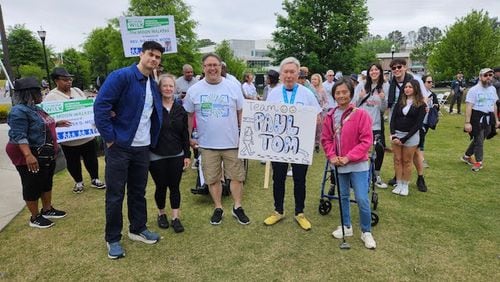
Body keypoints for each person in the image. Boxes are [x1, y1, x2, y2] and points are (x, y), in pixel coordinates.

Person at [94, 41, 165, 259]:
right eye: (151, 55)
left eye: (158, 57)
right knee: (115, 194)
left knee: (138, 191)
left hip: (142, 147)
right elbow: (101, 106)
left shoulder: (153, 83)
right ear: (141, 54)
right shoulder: (121, 76)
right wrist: (110, 139)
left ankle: (138, 228)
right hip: (120, 147)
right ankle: (113, 238)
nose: (154, 59)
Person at [183, 53, 250, 226]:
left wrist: (244, 133)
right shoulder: (194, 90)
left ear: (221, 67)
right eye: (209, 65)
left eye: (216, 65)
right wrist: (189, 136)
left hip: (232, 143)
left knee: (236, 177)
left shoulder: (233, 87)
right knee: (212, 178)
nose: (212, 68)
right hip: (207, 144)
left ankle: (237, 207)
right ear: (203, 67)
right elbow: (189, 116)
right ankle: (218, 207)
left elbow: (241, 112)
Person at [263, 57, 321, 231]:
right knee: (278, 178)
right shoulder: (273, 93)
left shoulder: (307, 93)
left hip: (299, 145)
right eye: (286, 72)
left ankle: (299, 212)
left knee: (299, 179)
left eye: (292, 72)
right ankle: (278, 210)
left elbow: (318, 118)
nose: (289, 75)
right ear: (281, 75)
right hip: (279, 145)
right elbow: (266, 117)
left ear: (298, 74)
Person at [6, 77, 70, 228]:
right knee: (32, 184)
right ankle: (34, 217)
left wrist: (57, 123)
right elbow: (19, 135)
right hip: (28, 153)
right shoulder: (18, 111)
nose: (41, 93)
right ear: (29, 93)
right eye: (38, 91)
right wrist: (28, 155)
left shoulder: (36, 108)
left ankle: (47, 209)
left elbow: (43, 123)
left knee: (46, 181)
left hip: (44, 152)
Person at [321, 77, 376, 249]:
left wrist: (348, 157)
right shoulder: (330, 116)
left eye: (344, 92)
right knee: (343, 196)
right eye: (338, 93)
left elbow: (366, 141)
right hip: (338, 164)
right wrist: (331, 156)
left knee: (361, 198)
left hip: (357, 163)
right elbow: (326, 139)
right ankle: (347, 226)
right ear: (334, 95)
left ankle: (366, 231)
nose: (341, 95)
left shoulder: (361, 114)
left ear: (351, 94)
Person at [44, 67, 106, 193]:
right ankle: (78, 182)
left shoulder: (77, 91)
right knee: (73, 162)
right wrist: (56, 123)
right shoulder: (51, 97)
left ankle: (95, 179)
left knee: (91, 159)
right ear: (56, 81)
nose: (69, 82)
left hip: (86, 135)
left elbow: (87, 107)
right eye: (65, 79)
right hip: (68, 139)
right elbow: (47, 118)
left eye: (70, 79)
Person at [149, 74, 191, 233]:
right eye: (164, 86)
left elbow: (184, 134)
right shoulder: (153, 108)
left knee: (175, 187)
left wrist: (187, 154)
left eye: (170, 86)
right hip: (156, 154)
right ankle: (161, 214)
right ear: (159, 88)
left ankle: (175, 217)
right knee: (161, 186)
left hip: (176, 154)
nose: (168, 88)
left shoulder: (180, 109)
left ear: (175, 88)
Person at [354, 63, 389, 189]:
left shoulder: (385, 86)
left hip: (375, 124)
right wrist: (360, 97)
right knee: (359, 149)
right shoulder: (362, 85)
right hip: (361, 123)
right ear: (369, 72)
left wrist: (383, 99)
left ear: (380, 72)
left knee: (379, 149)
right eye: (372, 70)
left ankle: (376, 175)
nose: (374, 72)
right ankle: (358, 175)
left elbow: (384, 108)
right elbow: (354, 104)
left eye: (376, 70)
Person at [390, 79, 426, 196]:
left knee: (407, 161)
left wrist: (405, 139)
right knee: (397, 159)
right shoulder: (399, 102)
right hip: (397, 134)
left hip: (410, 136)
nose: (407, 89)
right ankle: (399, 182)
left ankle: (405, 185)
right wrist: (393, 134)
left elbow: (418, 124)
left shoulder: (421, 105)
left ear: (415, 88)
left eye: (410, 87)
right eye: (405, 87)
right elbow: (393, 119)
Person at [461, 68, 499, 172]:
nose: (488, 77)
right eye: (485, 75)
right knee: (479, 140)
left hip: (488, 117)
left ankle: (466, 156)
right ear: (480, 77)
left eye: (490, 75)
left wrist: (496, 120)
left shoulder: (492, 89)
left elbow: (494, 105)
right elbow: (469, 106)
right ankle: (479, 162)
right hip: (477, 117)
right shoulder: (474, 90)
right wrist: (467, 122)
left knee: (480, 139)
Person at [418, 75, 439, 172]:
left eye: (431, 82)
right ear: (423, 83)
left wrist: (435, 106)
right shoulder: (419, 94)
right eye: (428, 82)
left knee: (421, 138)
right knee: (421, 138)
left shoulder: (432, 94)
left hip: (427, 121)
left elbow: (436, 106)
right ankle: (421, 159)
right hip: (419, 121)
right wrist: (424, 102)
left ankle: (417, 156)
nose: (431, 84)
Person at [311, 73, 329, 152]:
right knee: (311, 129)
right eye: (312, 79)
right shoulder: (309, 89)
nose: (313, 81)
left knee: (318, 129)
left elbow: (326, 101)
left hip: (319, 113)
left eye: (315, 79)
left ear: (319, 80)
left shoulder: (322, 90)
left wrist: (322, 108)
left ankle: (317, 144)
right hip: (310, 112)